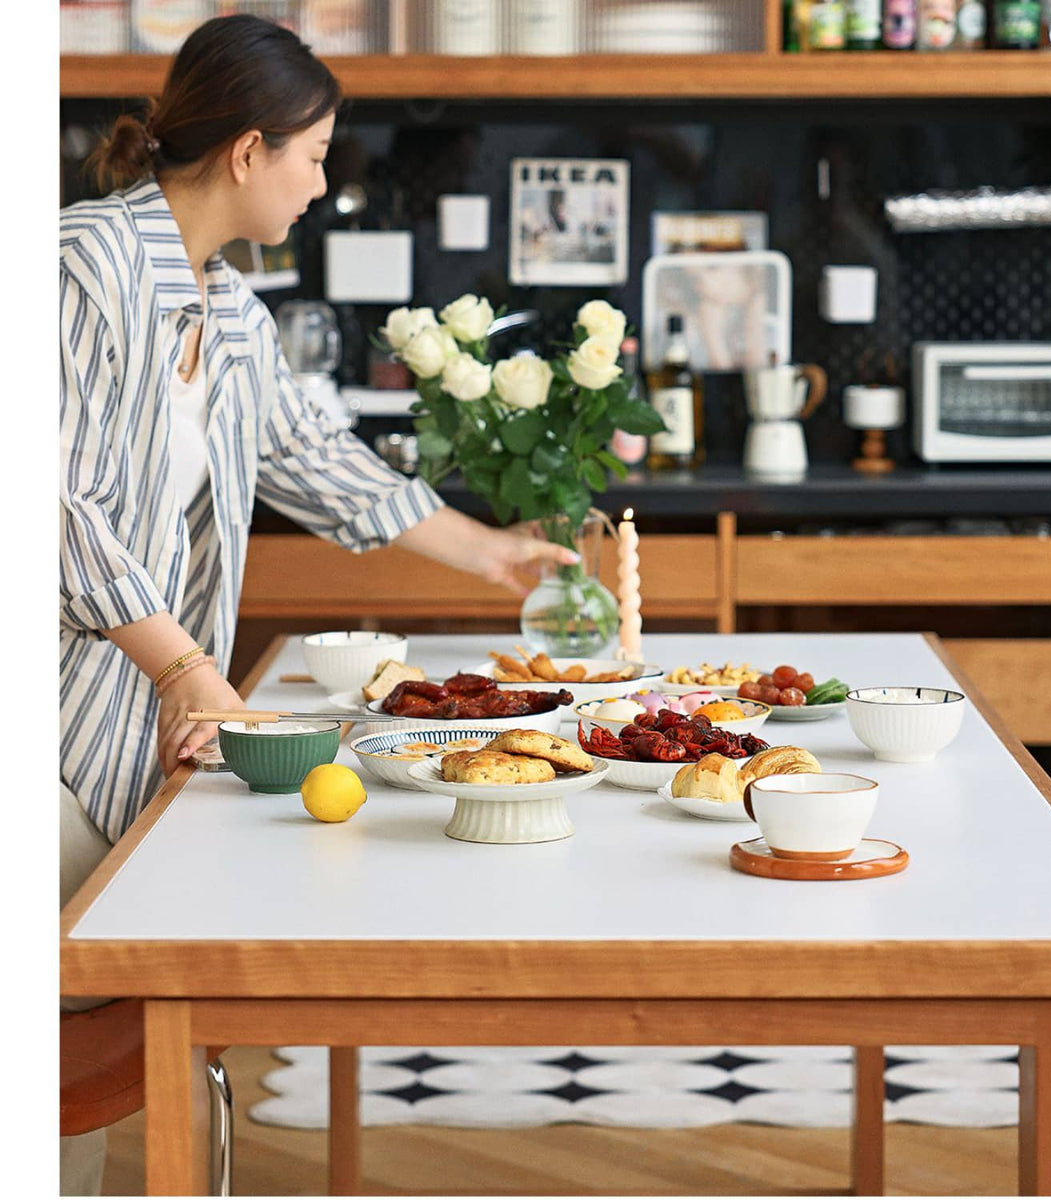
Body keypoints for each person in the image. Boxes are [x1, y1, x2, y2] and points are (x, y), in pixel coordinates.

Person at [59, 15, 575, 1191]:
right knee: (59, 1045)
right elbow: (51, 502)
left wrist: (492, 556)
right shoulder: (77, 266)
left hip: (127, 722)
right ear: (249, 150)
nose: (324, 183)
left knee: (92, 1042)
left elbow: (321, 460)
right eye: (315, 154)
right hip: (45, 715)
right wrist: (188, 668)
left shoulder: (231, 314)